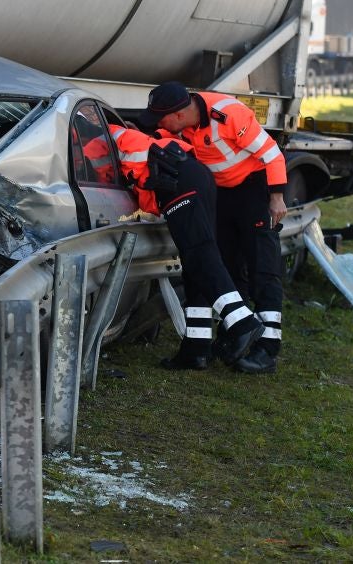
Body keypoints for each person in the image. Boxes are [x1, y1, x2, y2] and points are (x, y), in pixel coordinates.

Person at [147, 82, 287, 374]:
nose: (159, 125)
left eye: (162, 119)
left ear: (179, 115)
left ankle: (267, 348)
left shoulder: (228, 114)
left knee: (263, 266)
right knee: (222, 265)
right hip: (220, 194)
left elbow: (272, 154)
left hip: (254, 190)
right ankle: (214, 343)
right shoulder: (181, 125)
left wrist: (276, 198)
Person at [108, 123, 263, 370]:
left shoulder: (90, 135)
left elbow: (104, 173)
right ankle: (195, 349)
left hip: (175, 180)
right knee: (194, 264)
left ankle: (241, 322)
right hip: (192, 175)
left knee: (199, 254)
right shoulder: (118, 133)